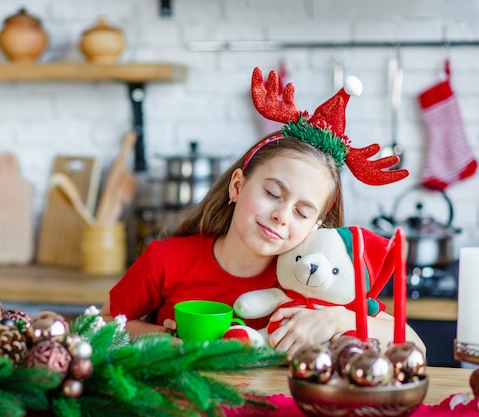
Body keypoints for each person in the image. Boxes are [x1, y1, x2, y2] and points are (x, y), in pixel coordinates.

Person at [101, 68, 426, 356]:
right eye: (272, 193)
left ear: (317, 225)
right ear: (237, 186)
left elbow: (414, 346)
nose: (282, 215)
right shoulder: (166, 260)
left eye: (302, 212)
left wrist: (338, 319)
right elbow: (100, 326)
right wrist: (163, 337)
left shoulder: (313, 279)